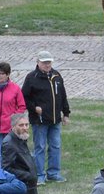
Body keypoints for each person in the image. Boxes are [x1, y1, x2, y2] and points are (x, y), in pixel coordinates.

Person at [20, 53, 70, 182]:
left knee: (55, 146)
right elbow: (24, 97)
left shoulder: (56, 76)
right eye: (44, 62)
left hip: (55, 119)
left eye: (49, 62)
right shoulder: (31, 77)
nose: (47, 65)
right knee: (40, 147)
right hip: (39, 120)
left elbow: (62, 95)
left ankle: (53, 173)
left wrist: (66, 113)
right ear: (38, 62)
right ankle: (39, 175)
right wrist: (34, 108)